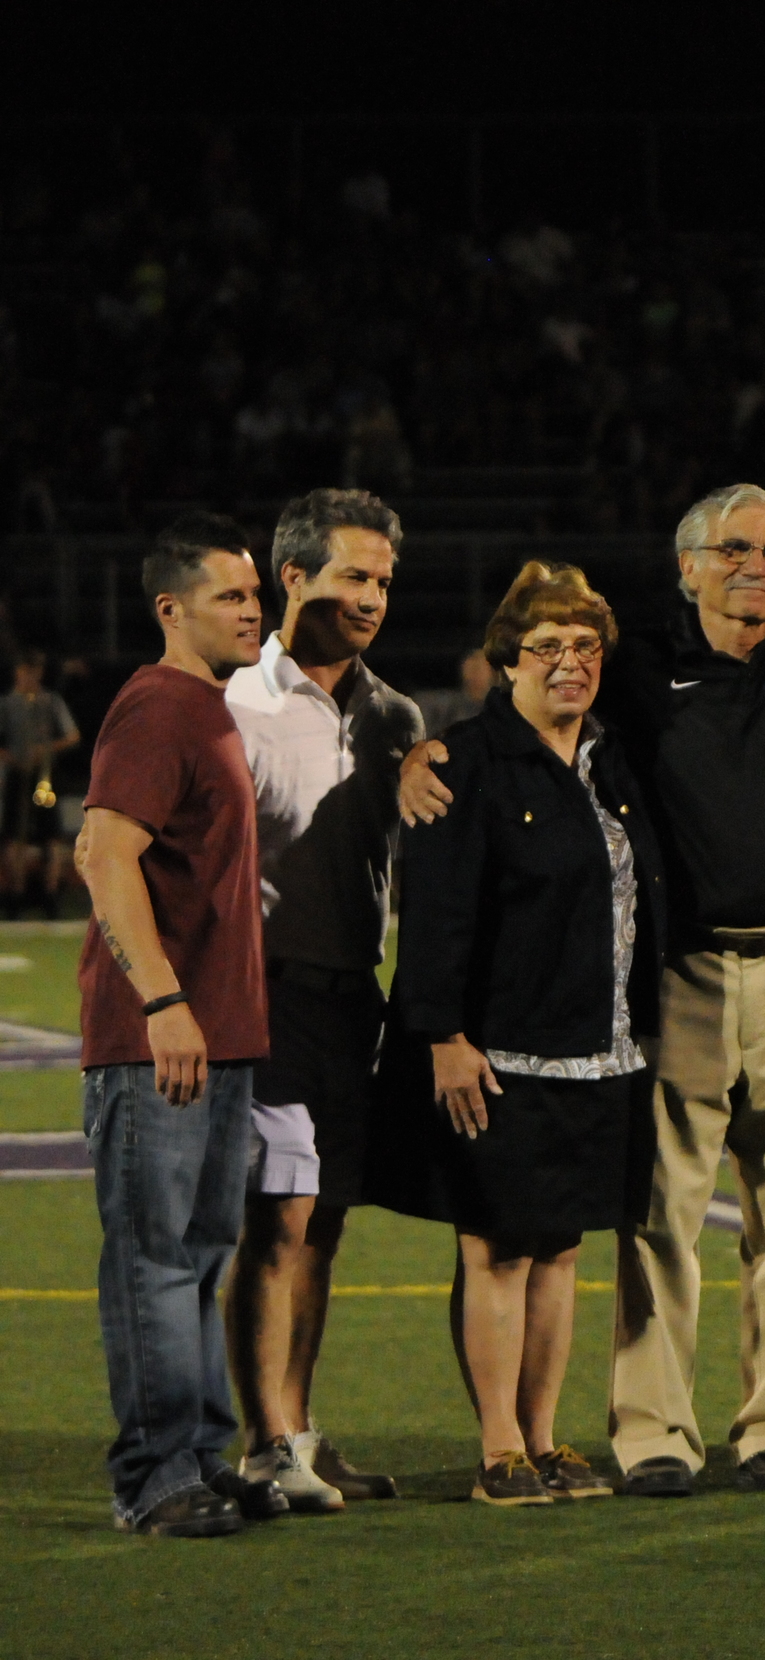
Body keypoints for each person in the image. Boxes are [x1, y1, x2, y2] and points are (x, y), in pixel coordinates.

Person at [403, 484, 765, 1499]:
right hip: (657, 985)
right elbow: (455, 845)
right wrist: (416, 758)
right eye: (732, 548)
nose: (755, 567)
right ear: (685, 564)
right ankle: (634, 1433)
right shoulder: (623, 677)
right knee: (646, 1216)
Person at [378, 563, 662, 1506]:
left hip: (604, 1052)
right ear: (504, 663)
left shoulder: (612, 760)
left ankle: (546, 1438)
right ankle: (498, 1447)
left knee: (561, 1249)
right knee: (496, 1249)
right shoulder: (464, 763)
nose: (570, 664)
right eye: (546, 648)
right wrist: (441, 1036)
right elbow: (435, 918)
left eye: (585, 648)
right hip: (497, 1057)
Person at [75, 512, 284, 1537]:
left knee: (198, 1254)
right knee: (157, 1258)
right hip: (159, 1034)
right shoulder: (159, 707)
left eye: (255, 594)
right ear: (171, 608)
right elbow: (103, 852)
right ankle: (154, 1478)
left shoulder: (206, 706)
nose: (253, 609)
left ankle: (199, 1455)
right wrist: (161, 1001)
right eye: (230, 597)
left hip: (217, 1033)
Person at [219, 488, 422, 1513]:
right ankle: (263, 1444)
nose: (372, 596)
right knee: (278, 1220)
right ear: (288, 574)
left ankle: (294, 1427)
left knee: (325, 1222)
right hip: (267, 994)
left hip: (355, 998)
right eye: (352, 574)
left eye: (383, 580)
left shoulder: (394, 716)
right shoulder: (232, 703)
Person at [1, 648, 79, 918]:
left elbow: (72, 736)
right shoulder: (7, 704)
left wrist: (46, 748)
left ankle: (51, 895)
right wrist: (10, 756)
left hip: (44, 775)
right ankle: (16, 894)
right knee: (15, 838)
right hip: (17, 774)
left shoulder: (50, 702)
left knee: (52, 836)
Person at [413, 647, 492, 738]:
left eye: (483, 664)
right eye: (472, 660)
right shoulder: (439, 706)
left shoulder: (502, 711)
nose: (475, 669)